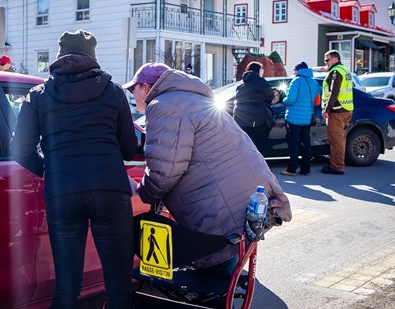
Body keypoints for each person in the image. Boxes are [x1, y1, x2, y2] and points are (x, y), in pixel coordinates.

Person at [11, 29, 137, 308]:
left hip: (62, 192)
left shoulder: (38, 95)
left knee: (67, 284)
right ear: (92, 56)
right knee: (118, 283)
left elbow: (20, 149)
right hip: (109, 189)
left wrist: (49, 170)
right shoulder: (112, 91)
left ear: (59, 56)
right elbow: (129, 148)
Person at [125, 62, 292, 271]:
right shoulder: (192, 98)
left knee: (212, 267)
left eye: (133, 88)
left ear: (147, 87)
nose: (132, 94)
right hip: (251, 199)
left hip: (222, 209)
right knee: (225, 265)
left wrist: (142, 191)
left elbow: (165, 172)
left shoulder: (162, 105)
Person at [281, 62, 320, 176]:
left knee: (294, 144)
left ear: (298, 70)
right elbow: (317, 101)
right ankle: (305, 169)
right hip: (307, 118)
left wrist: (283, 100)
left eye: (294, 70)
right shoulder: (314, 83)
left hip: (294, 118)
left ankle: (292, 169)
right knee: (306, 144)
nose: (293, 72)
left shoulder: (296, 81)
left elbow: (290, 100)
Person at [233, 61, 279, 155]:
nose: (263, 72)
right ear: (258, 70)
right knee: (258, 146)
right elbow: (270, 98)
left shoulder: (242, 82)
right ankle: (257, 167)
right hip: (257, 120)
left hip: (240, 118)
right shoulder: (261, 82)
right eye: (262, 69)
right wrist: (276, 94)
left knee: (245, 145)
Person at [321, 50, 354, 175]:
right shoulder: (344, 70)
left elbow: (333, 93)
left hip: (337, 111)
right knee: (340, 140)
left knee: (336, 141)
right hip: (346, 109)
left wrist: (326, 110)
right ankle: (337, 164)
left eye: (327, 60)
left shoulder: (336, 72)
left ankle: (337, 167)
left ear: (335, 59)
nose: (326, 62)